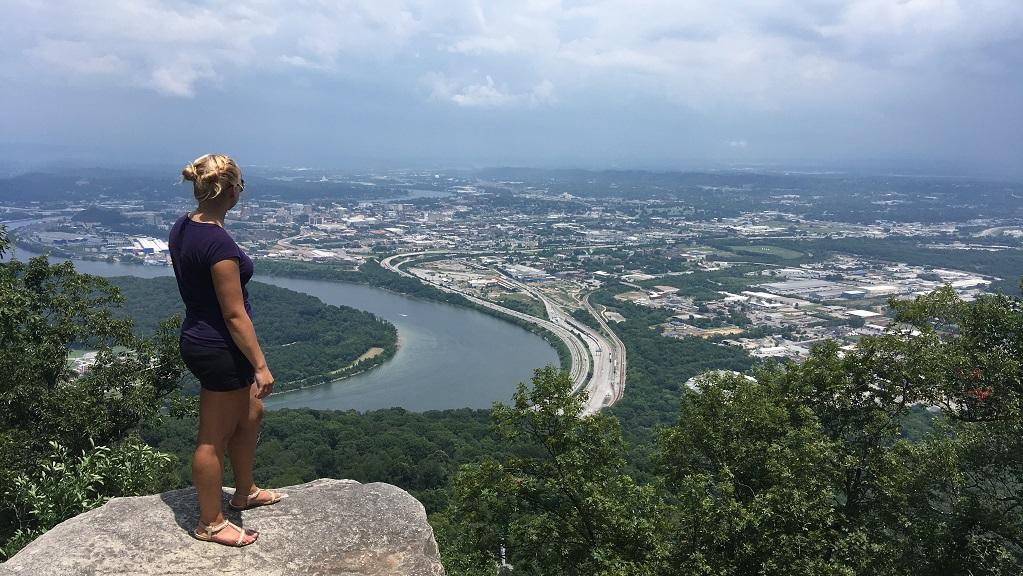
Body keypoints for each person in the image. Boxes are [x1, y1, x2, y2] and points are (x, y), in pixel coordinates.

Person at [169, 153, 281, 547]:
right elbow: (234, 316)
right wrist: (261, 365)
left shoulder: (185, 227)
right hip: (220, 347)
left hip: (200, 337)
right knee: (212, 437)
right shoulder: (218, 244)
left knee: (252, 411)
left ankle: (244, 491)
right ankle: (210, 522)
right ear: (231, 190)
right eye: (241, 186)